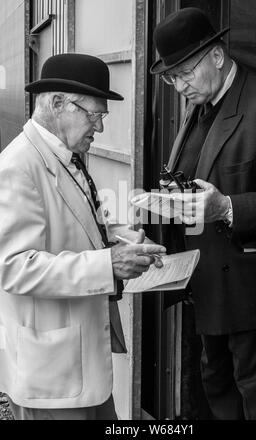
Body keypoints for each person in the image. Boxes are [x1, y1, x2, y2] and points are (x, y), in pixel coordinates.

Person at [150, 7, 256, 420]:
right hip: (205, 286)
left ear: (217, 56)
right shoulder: (198, 102)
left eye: (184, 73)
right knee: (217, 389)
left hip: (253, 294)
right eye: (170, 77)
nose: (179, 86)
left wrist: (227, 206)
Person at [0, 53, 166, 420]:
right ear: (58, 103)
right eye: (94, 115)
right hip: (52, 380)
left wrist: (121, 238)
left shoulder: (63, 154)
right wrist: (109, 263)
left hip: (78, 370)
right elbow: (14, 268)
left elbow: (74, 223)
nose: (100, 128)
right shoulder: (17, 166)